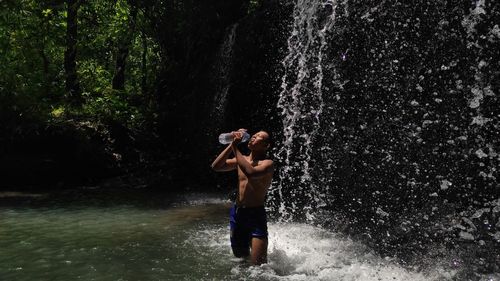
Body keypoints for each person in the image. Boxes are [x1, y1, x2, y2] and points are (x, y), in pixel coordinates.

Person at [211, 129, 274, 265]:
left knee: (259, 266)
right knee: (241, 261)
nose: (253, 137)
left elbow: (251, 173)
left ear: (266, 146)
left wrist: (235, 147)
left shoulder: (268, 163)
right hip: (238, 214)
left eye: (258, 137)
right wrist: (231, 144)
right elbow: (216, 166)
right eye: (254, 135)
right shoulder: (241, 159)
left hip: (256, 215)